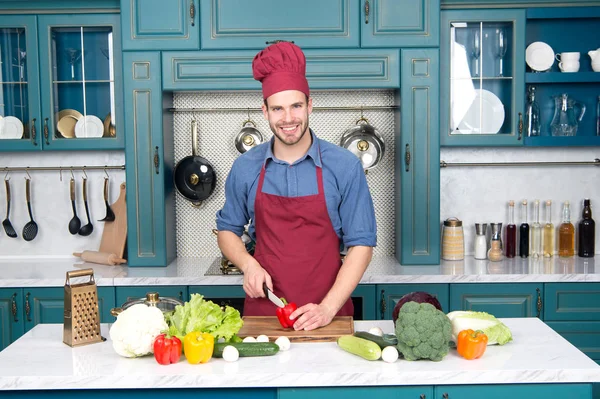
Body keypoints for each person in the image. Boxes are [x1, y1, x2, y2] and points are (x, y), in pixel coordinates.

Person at [216, 42, 376, 331]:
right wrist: (248, 265)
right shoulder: (246, 167)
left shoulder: (344, 166)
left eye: (296, 106)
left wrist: (327, 309)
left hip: (329, 313)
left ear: (310, 104)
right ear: (264, 111)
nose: (288, 119)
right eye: (278, 108)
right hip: (265, 315)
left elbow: (362, 245)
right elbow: (227, 230)